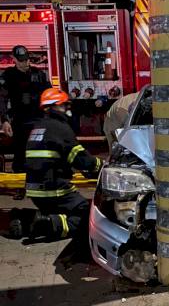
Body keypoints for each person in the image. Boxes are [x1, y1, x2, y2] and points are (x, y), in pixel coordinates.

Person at [9, 88, 102, 243]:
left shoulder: (38, 128)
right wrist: (100, 165)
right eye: (64, 105)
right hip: (54, 189)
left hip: (34, 189)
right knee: (87, 215)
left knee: (58, 212)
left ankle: (26, 220)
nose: (67, 109)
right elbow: (81, 159)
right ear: (52, 107)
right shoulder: (60, 128)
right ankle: (45, 225)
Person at [2, 45, 51, 173]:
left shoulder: (38, 74)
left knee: (40, 153)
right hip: (20, 122)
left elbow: (49, 95)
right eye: (22, 60)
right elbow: (1, 99)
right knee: (20, 155)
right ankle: (20, 185)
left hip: (38, 121)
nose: (25, 63)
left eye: (27, 59)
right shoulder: (8, 76)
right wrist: (4, 120)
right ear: (14, 60)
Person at [103, 85, 151, 152]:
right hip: (113, 126)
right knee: (117, 152)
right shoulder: (123, 110)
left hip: (123, 120)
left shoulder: (142, 97)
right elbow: (128, 130)